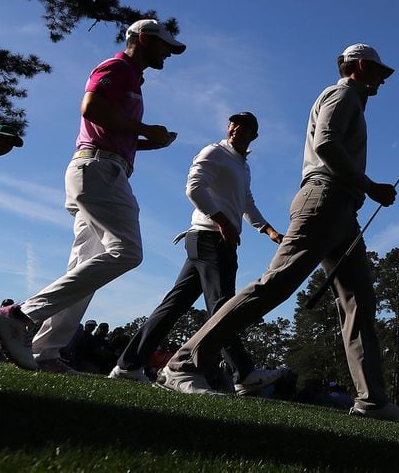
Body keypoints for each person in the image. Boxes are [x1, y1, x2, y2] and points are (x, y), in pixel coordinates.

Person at [158, 43, 399, 422]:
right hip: (325, 200)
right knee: (276, 285)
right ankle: (184, 363)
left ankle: (372, 400)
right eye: (381, 71)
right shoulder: (343, 93)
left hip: (341, 209)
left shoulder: (351, 99)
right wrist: (368, 185)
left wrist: (359, 191)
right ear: (362, 66)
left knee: (359, 301)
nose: (384, 79)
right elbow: (326, 143)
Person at [0, 19, 185, 373]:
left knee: (84, 267)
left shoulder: (131, 78)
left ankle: (46, 351)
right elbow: (91, 108)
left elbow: (110, 131)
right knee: (127, 252)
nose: (168, 53)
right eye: (164, 46)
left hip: (100, 168)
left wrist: (146, 141)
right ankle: (19, 314)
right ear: (143, 39)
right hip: (99, 172)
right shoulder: (117, 68)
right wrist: (145, 129)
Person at [108, 112, 288, 395]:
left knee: (174, 306)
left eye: (246, 126)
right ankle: (243, 371)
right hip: (210, 238)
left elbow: (246, 201)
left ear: (254, 135)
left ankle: (128, 365)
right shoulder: (215, 152)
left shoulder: (242, 165)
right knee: (223, 306)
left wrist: (268, 230)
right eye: (233, 123)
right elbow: (194, 187)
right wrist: (224, 222)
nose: (237, 128)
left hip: (208, 241)